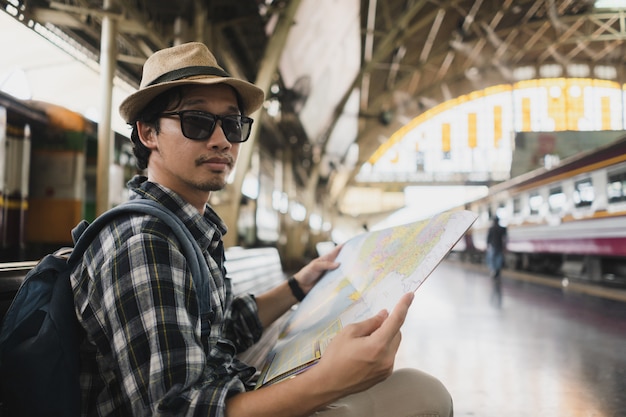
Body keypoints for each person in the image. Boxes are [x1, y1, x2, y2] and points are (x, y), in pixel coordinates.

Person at [70, 42, 453, 417]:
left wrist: (299, 285)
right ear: (149, 133)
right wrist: (331, 379)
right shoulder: (146, 242)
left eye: (232, 124)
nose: (221, 141)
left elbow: (223, 328)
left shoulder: (185, 230)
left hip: (233, 383)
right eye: (197, 121)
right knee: (421, 394)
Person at [486, 215, 507, 305]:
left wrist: (488, 246)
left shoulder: (491, 229)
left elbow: (488, 239)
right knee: (499, 260)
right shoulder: (503, 228)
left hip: (493, 247)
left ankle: (493, 271)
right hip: (500, 247)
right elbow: (505, 238)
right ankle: (497, 272)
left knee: (492, 260)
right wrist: (504, 246)